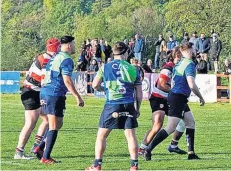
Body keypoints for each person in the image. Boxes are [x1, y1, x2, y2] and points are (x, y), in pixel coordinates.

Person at [142, 42, 206, 161]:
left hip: (177, 96)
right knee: (171, 127)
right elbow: (191, 84)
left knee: (190, 122)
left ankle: (191, 153)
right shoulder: (189, 64)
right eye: (194, 49)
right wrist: (201, 97)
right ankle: (148, 149)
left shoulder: (180, 63)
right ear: (190, 51)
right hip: (178, 97)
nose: (195, 51)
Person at [85, 42, 143, 171]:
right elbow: (139, 94)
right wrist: (137, 109)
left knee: (101, 135)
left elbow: (94, 85)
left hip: (112, 104)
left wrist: (103, 89)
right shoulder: (133, 68)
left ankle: (97, 165)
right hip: (128, 104)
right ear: (125, 52)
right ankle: (134, 166)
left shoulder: (105, 67)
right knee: (130, 135)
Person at [39, 35, 85, 164]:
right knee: (54, 125)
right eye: (74, 44)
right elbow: (67, 80)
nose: (75, 46)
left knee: (58, 124)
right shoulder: (67, 59)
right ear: (69, 45)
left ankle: (40, 148)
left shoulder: (55, 57)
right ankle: (45, 157)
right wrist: (78, 97)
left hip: (46, 92)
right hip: (54, 94)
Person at [15, 38, 59, 160]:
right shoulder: (47, 60)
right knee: (30, 123)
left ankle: (36, 146)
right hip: (31, 92)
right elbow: (45, 80)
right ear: (56, 48)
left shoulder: (44, 56)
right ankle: (19, 152)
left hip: (34, 91)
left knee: (47, 119)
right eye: (59, 47)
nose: (60, 49)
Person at [139, 49, 187, 158]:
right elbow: (162, 84)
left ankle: (173, 146)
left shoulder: (180, 68)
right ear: (175, 57)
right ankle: (142, 148)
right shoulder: (168, 67)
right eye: (181, 56)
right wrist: (176, 90)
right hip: (158, 98)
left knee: (183, 122)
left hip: (170, 99)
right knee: (157, 125)